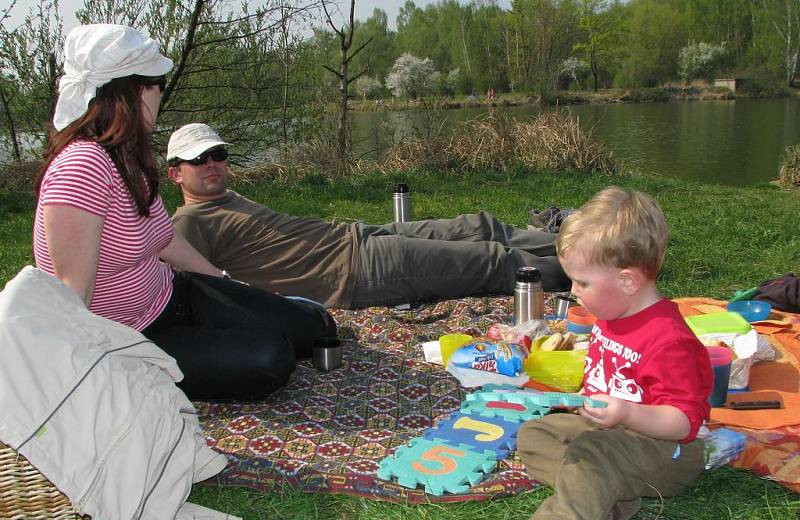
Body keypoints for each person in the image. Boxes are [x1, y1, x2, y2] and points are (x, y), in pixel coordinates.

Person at [33, 24, 335, 402]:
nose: (163, 93)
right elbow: (71, 292)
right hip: (135, 335)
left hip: (175, 293)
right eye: (160, 83)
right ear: (138, 89)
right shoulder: (81, 167)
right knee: (270, 358)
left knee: (316, 327)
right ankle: (138, 378)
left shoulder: (125, 155)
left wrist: (227, 284)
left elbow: (166, 240)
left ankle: (276, 321)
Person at [479, 187, 713, 520]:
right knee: (537, 433)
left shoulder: (669, 340)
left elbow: (684, 422)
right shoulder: (611, 311)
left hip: (666, 450)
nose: (573, 292)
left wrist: (627, 412)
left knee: (592, 450)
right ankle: (604, 499)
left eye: (582, 282)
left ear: (626, 281)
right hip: (612, 435)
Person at [167, 123, 570, 309]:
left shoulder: (226, 197)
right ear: (175, 173)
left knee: (478, 226)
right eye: (197, 160)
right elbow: (199, 290)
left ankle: (583, 240)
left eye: (217, 154)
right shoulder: (187, 224)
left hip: (354, 235)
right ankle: (587, 270)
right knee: (490, 261)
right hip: (353, 271)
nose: (212, 164)